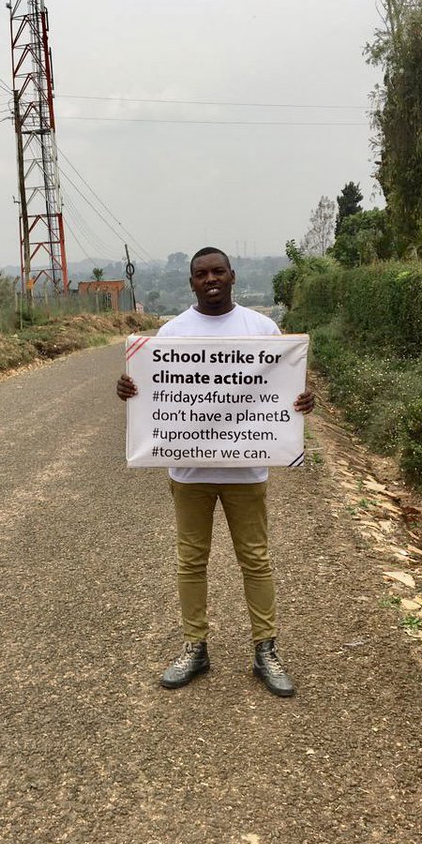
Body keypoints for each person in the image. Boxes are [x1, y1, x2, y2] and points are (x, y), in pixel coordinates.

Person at [116, 246, 314, 697]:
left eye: (217, 272)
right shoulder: (171, 333)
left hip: (247, 470)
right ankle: (195, 647)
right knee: (191, 561)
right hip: (190, 472)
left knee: (256, 560)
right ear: (191, 283)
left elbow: (286, 388)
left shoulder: (261, 329)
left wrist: (303, 404)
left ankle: (266, 649)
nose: (210, 280)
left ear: (232, 276)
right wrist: (129, 389)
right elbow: (150, 390)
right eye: (201, 274)